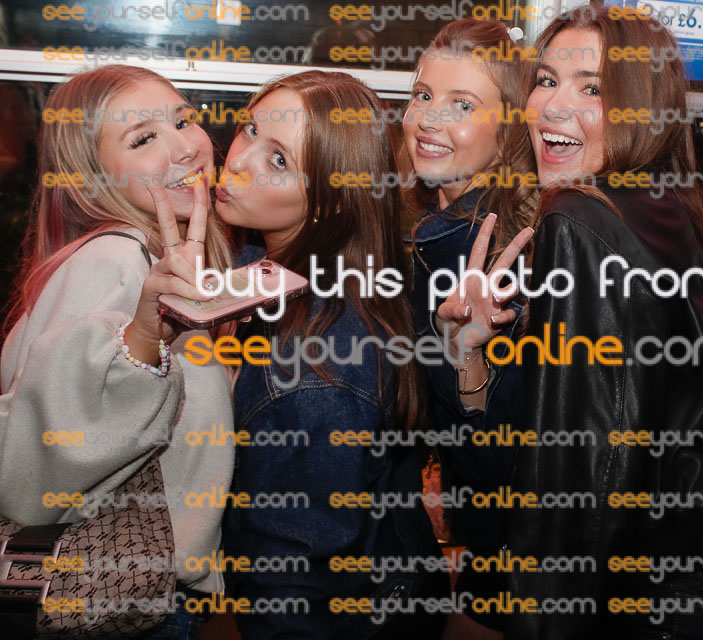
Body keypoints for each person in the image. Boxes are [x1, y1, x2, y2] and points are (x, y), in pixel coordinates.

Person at [506, 6, 703, 638]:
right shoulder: (663, 206)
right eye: (546, 80)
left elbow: (587, 476)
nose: (552, 107)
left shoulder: (579, 218)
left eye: (591, 89)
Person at [0, 65, 235, 639]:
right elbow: (42, 458)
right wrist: (144, 344)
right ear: (88, 182)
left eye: (184, 120)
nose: (187, 146)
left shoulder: (136, 256)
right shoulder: (117, 258)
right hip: (125, 590)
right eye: (144, 137)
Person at [215, 70, 446, 639]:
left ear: (327, 203)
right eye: (250, 130)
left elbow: (292, 583)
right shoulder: (272, 275)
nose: (238, 161)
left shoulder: (316, 363)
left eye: (278, 161)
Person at [401, 18, 535, 640]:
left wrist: (459, 358)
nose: (428, 119)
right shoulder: (438, 230)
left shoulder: (483, 251)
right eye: (423, 95)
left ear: (508, 133)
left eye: (462, 105)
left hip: (517, 556)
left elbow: (499, 460)